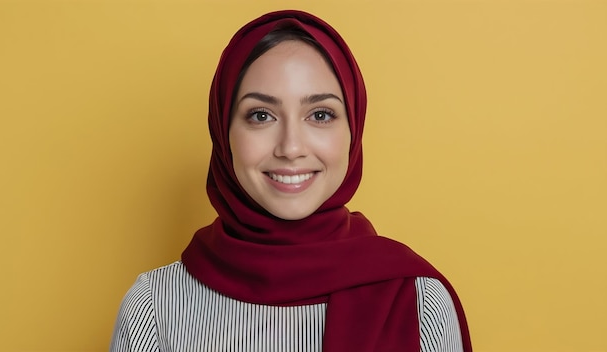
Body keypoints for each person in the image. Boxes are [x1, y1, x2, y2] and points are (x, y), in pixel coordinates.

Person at [110, 10, 472, 352]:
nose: (291, 147)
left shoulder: (418, 301)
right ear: (224, 133)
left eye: (320, 114)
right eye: (261, 115)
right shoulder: (154, 310)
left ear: (353, 131)